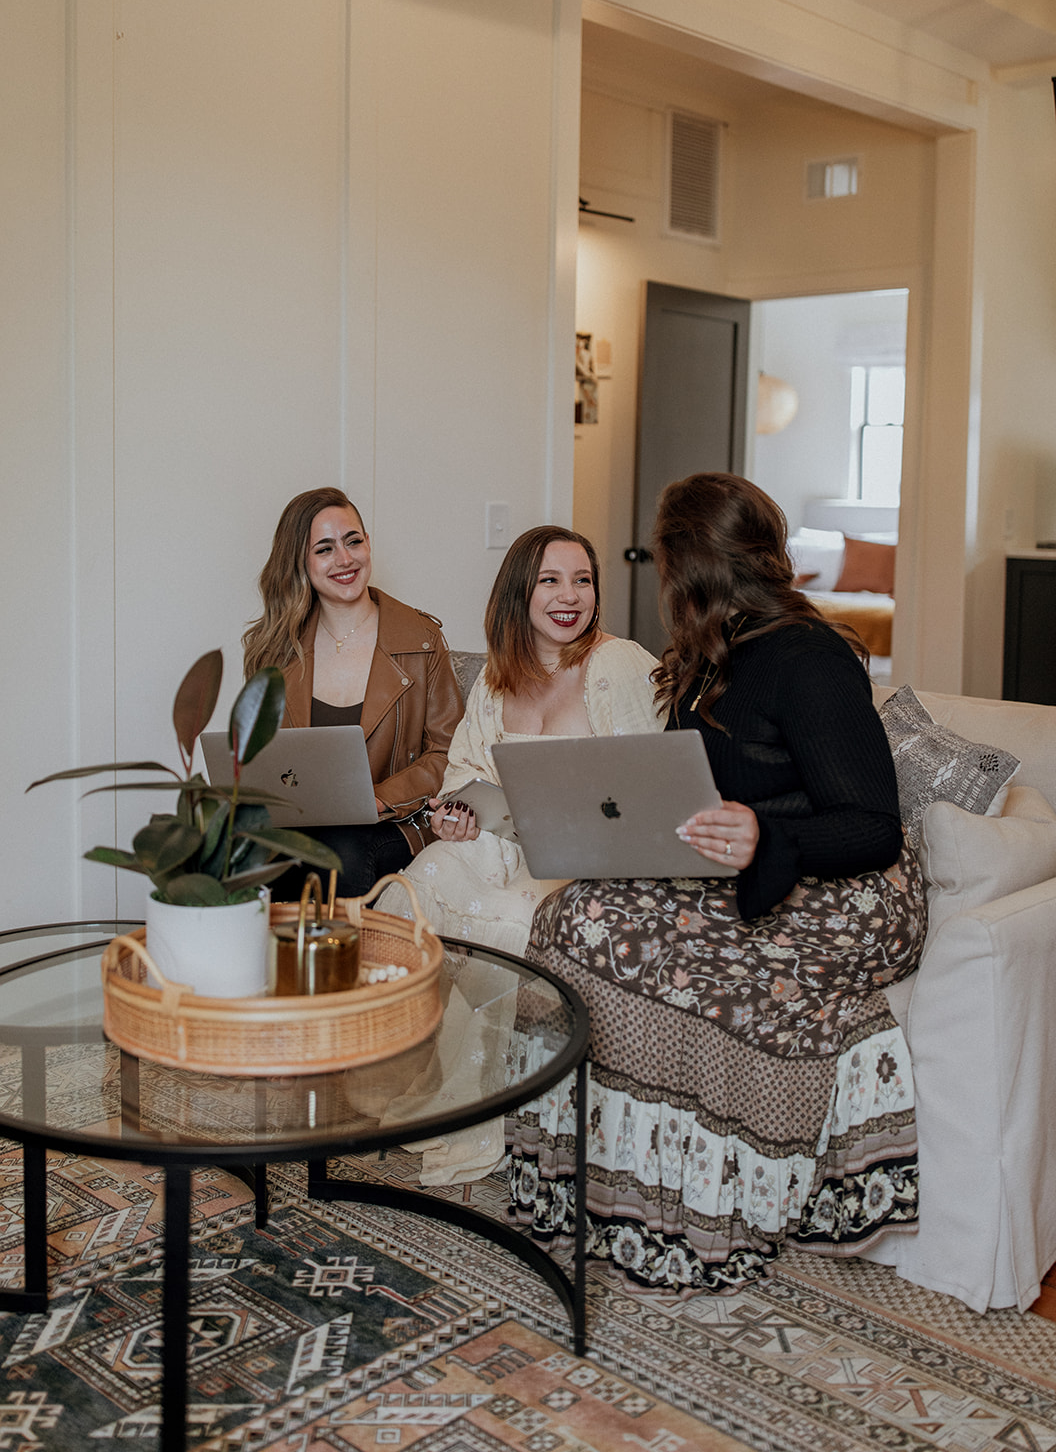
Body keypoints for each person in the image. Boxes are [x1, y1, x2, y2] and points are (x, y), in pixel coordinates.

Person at [508, 472, 927, 1291]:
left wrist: (768, 832)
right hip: (739, 863)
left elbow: (873, 825)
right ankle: (591, 1189)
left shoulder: (810, 661)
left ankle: (695, 1207)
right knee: (571, 918)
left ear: (688, 567)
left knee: (668, 960)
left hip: (848, 889)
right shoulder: (708, 656)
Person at [382, 524, 664, 957]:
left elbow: (654, 783)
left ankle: (503, 1026)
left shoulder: (618, 663)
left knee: (517, 913)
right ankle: (399, 1019)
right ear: (518, 594)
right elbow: (466, 771)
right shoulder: (497, 677)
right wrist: (456, 816)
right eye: (549, 580)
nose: (570, 596)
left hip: (588, 859)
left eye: (582, 580)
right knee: (426, 874)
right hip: (504, 846)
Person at [242, 487, 463, 898]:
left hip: (393, 824)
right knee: (229, 844)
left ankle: (339, 961)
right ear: (300, 563)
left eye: (353, 541)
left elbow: (448, 753)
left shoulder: (422, 640)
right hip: (302, 822)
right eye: (324, 549)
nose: (345, 559)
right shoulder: (275, 649)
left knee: (337, 850)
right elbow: (261, 756)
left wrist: (378, 799)